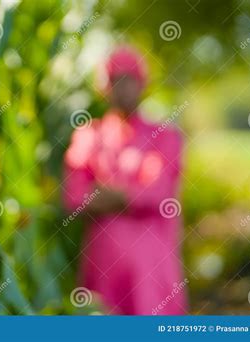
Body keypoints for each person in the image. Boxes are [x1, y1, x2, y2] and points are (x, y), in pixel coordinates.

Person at [63, 46, 187, 315]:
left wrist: (103, 193)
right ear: (104, 87)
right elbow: (73, 198)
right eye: (115, 81)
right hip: (104, 272)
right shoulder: (89, 135)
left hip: (152, 274)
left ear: (143, 84)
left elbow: (158, 192)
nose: (123, 89)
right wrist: (129, 195)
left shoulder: (164, 137)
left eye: (129, 80)